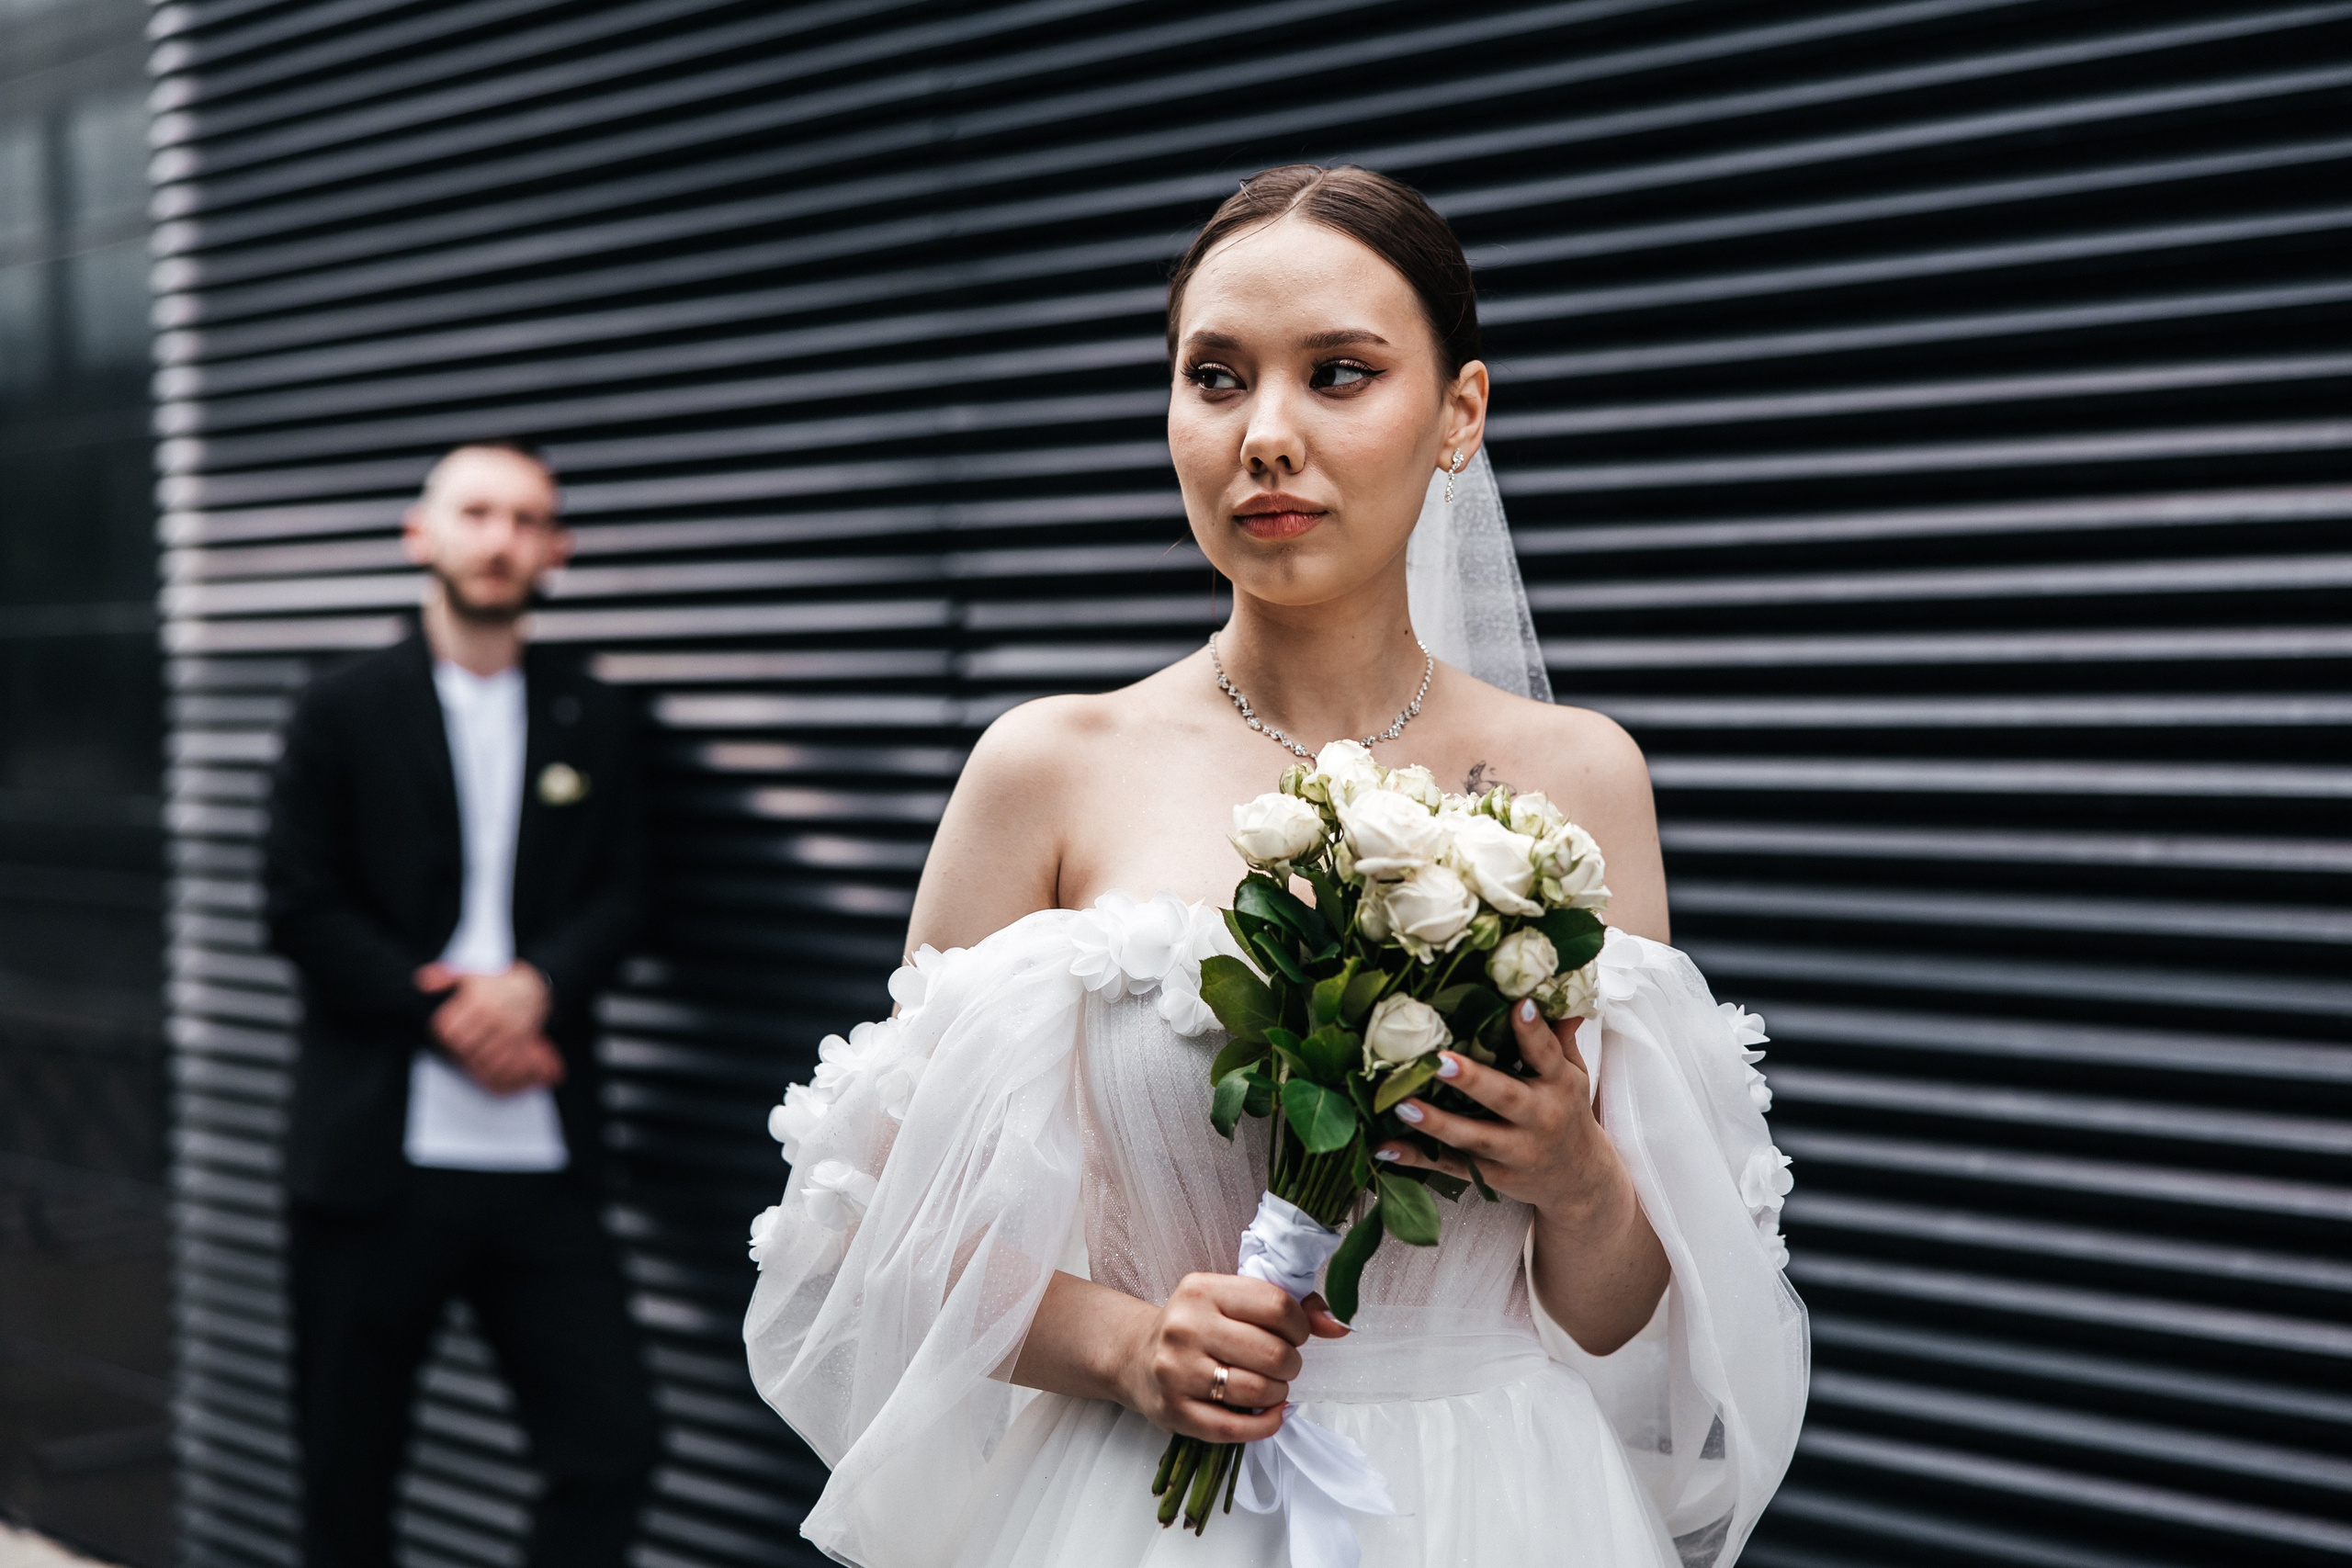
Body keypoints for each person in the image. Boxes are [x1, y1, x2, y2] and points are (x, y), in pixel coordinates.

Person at [745, 167, 1806, 1567]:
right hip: (1133, 1509)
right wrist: (1125, 1341)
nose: (1268, 435)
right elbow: (871, 1223)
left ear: (1460, 414)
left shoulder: (1580, 778)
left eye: (1341, 374)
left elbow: (1609, 1312)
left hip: (1498, 1506)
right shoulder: (1047, 765)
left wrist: (1580, 1175)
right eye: (1218, 378)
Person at [263, 441, 656, 1568]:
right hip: (372, 1162)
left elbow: (629, 896)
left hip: (541, 1161)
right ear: (420, 535)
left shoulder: (595, 714)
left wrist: (535, 988)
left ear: (558, 550)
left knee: (612, 1447)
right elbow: (298, 907)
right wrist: (451, 1015)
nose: (501, 539)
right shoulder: (339, 708)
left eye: (529, 519)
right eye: (477, 513)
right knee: (349, 1479)